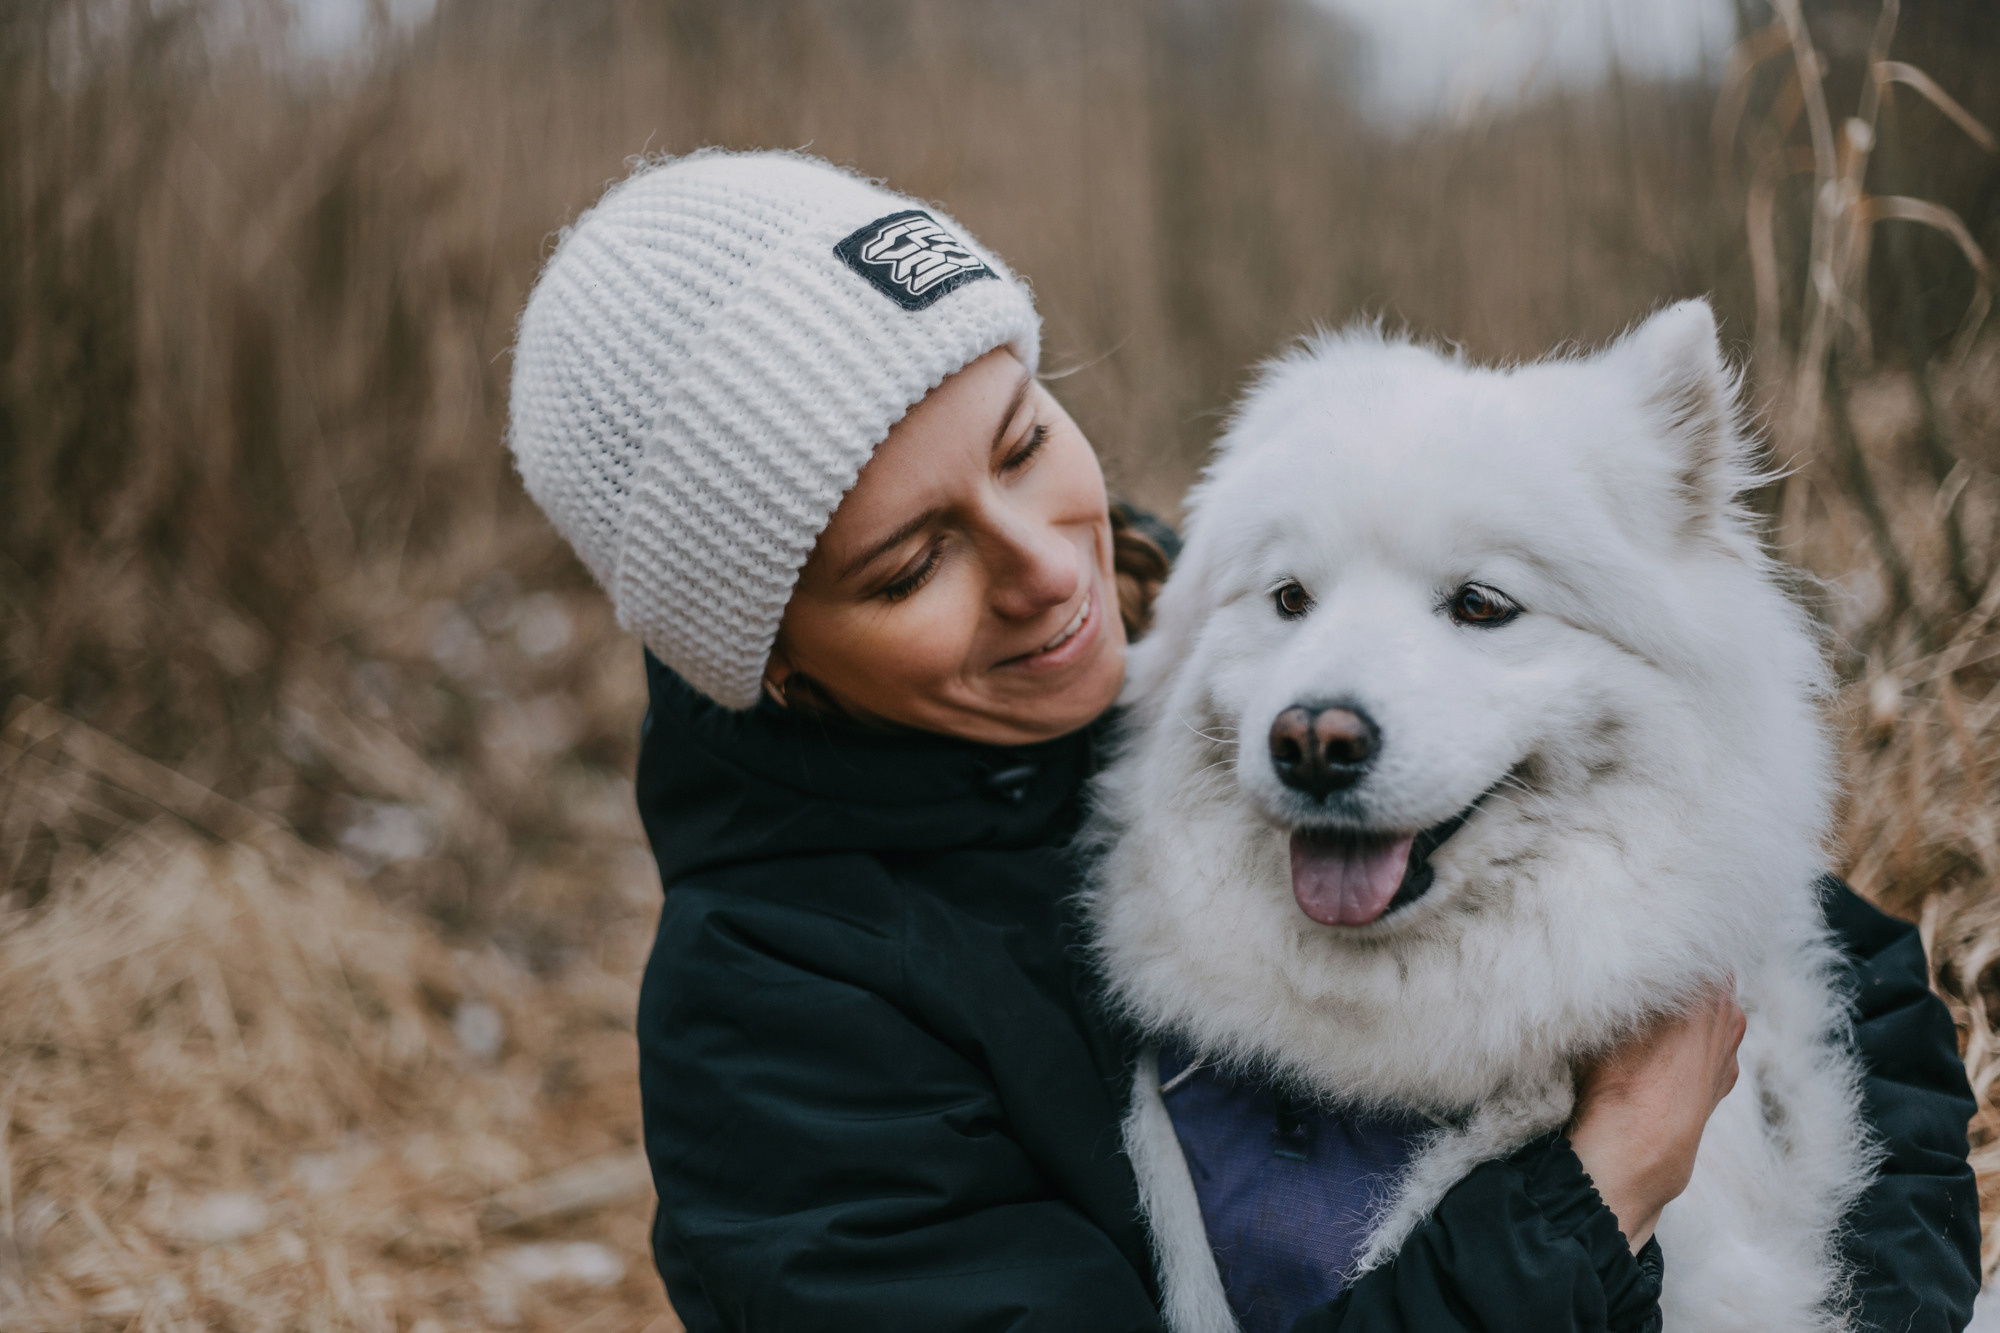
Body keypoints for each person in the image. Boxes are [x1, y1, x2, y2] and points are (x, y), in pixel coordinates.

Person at [505, 150, 1980, 1332]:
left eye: (1024, 441)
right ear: (767, 661)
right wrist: (1597, 1187)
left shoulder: (1237, 620)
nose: (1049, 569)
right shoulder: (776, 1010)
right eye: (911, 566)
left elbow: (1851, 989)